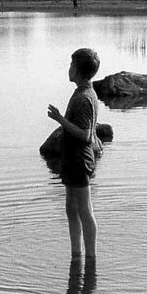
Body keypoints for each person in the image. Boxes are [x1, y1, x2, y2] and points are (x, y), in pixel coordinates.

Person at [48, 48, 100, 259]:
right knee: (71, 207)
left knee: (84, 209)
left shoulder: (84, 97)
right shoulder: (81, 92)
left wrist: (60, 120)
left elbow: (86, 135)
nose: (68, 69)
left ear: (79, 71)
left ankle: (91, 257)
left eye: (71, 66)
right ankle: (76, 254)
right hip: (72, 158)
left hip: (80, 159)